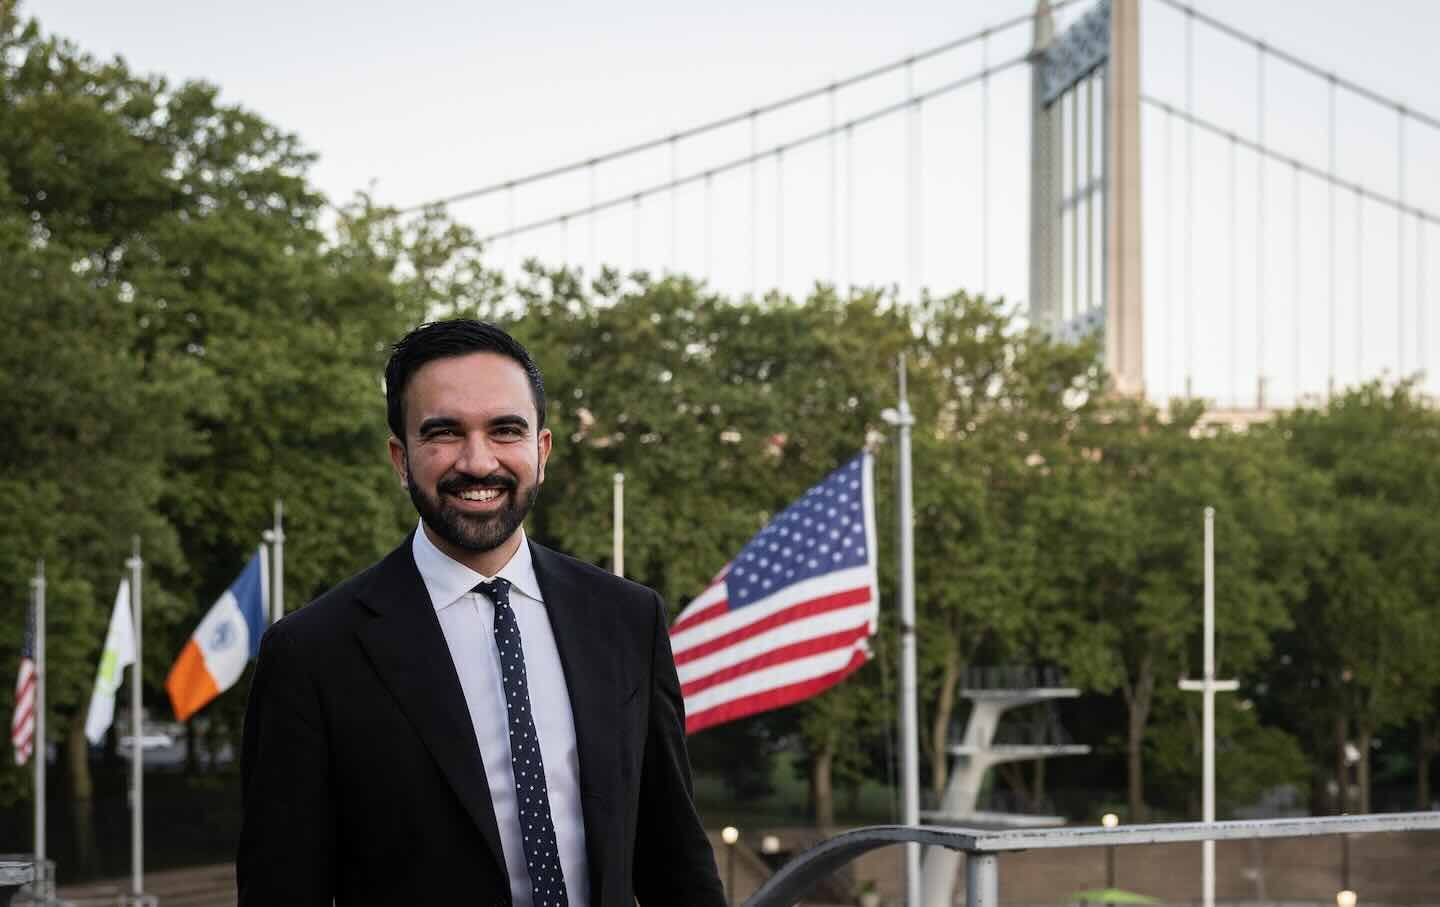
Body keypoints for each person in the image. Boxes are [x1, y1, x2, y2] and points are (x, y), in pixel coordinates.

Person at [237, 320, 726, 907]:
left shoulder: (627, 619)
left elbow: (674, 857)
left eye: (505, 430)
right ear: (400, 458)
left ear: (541, 451)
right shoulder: (311, 653)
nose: (477, 461)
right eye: (444, 432)